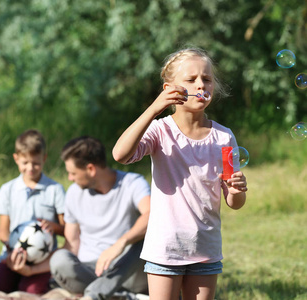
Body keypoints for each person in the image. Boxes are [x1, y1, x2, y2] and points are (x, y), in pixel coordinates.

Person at [112, 47, 248, 300]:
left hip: (206, 247)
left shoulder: (224, 136)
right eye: (191, 79)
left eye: (207, 79)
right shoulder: (159, 131)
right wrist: (154, 109)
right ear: (169, 89)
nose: (201, 84)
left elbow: (234, 202)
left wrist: (238, 190)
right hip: (166, 248)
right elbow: (120, 154)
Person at [50, 136, 151, 300]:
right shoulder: (73, 193)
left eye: (73, 173)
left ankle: (98, 294)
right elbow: (72, 244)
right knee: (58, 259)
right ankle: (118, 295)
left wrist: (121, 243)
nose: (70, 178)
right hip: (91, 271)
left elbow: (152, 215)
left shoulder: (132, 183)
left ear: (90, 169)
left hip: (128, 269)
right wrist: (38, 268)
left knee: (147, 236)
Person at [0, 129, 65, 294]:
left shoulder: (55, 190)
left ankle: (47, 279)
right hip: (12, 255)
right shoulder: (7, 189)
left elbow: (66, 230)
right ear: (16, 159)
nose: (30, 168)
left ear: (44, 159)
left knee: (29, 290)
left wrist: (53, 227)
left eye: (36, 163)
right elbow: (3, 233)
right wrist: (14, 252)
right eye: (25, 162)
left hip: (42, 260)